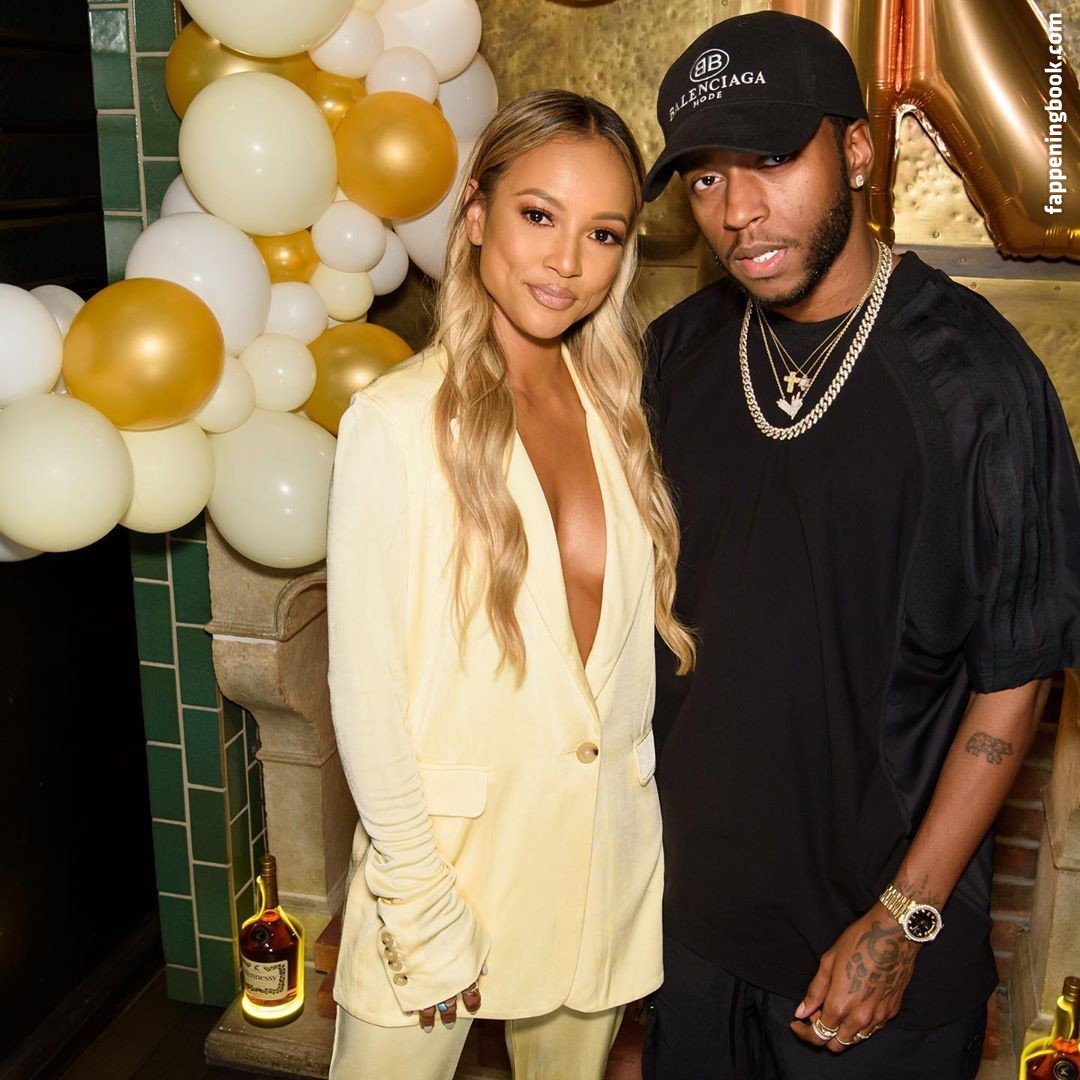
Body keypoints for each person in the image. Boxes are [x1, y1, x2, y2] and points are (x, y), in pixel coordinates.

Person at [640, 11, 1080, 1079]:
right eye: (705, 177)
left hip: (874, 951)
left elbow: (1015, 679)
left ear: (857, 150)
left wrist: (902, 920)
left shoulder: (979, 382)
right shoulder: (675, 355)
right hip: (689, 929)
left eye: (772, 160)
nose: (737, 211)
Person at [325, 89, 695, 1080]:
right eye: (539, 215)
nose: (567, 261)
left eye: (602, 233)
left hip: (599, 872)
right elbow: (364, 696)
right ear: (478, 213)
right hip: (440, 878)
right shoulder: (396, 424)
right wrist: (419, 903)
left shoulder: (619, 414)